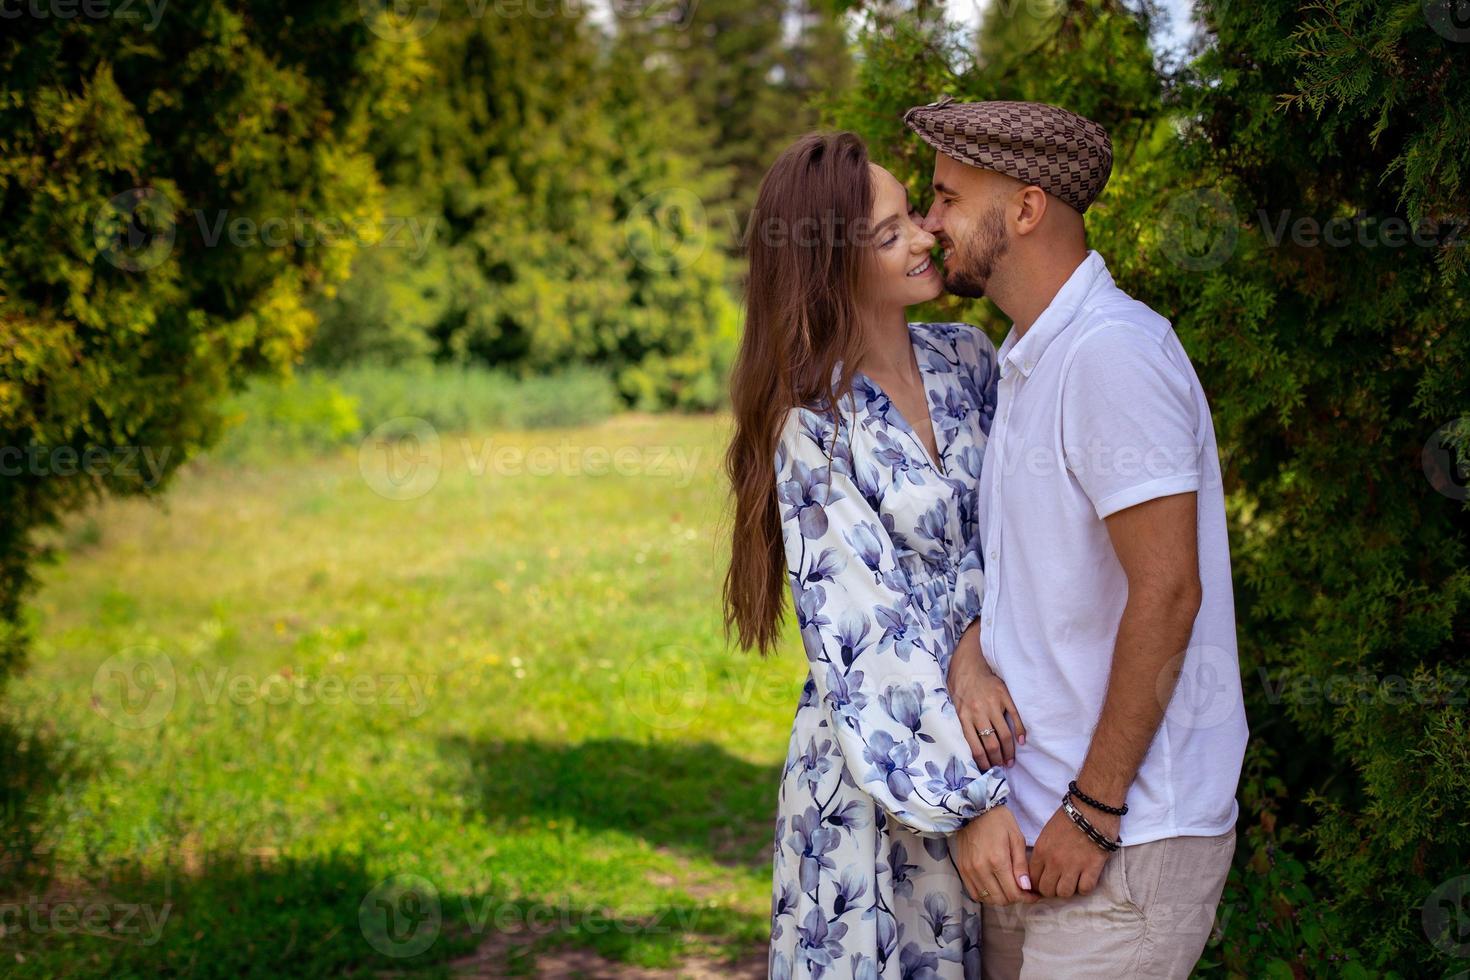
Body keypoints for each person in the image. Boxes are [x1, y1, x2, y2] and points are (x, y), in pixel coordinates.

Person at [902, 96, 1250, 978]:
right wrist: (972, 657)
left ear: (1025, 208)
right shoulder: (1030, 359)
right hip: (1036, 838)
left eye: (946, 197)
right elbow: (1043, 586)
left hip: (1123, 837)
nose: (928, 221)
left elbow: (1169, 592)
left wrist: (1092, 807)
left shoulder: (1111, 354)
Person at [722, 131, 1032, 979]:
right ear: (831, 266)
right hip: (876, 778)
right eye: (891, 233)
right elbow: (866, 633)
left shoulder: (971, 362)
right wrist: (967, 807)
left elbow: (1032, 540)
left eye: (913, 219)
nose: (926, 238)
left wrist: (976, 639)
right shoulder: (811, 427)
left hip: (995, 754)